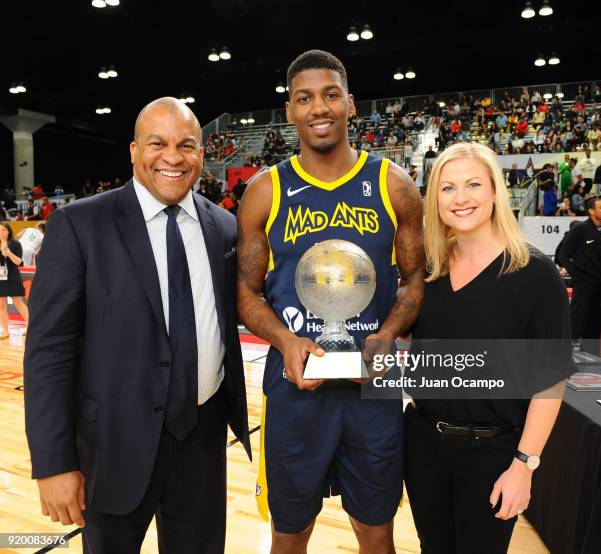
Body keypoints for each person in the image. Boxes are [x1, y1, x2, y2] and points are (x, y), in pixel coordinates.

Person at [24, 97, 251, 554]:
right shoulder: (79, 223)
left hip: (202, 440)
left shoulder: (224, 228)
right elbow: (49, 353)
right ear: (132, 151)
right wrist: (52, 463)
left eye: (186, 145)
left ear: (202, 155)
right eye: (157, 143)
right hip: (112, 443)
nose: (172, 157)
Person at [237, 50, 424, 554]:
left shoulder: (393, 184)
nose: (319, 107)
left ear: (351, 105)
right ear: (290, 112)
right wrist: (282, 338)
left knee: (376, 530)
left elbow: (412, 280)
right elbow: (247, 294)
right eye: (305, 98)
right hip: (296, 392)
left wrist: (387, 335)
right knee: (289, 533)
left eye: (331, 95)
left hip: (373, 391)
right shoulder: (263, 191)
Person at [404, 142, 574, 554]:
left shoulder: (535, 275)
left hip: (493, 452)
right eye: (447, 188)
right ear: (434, 199)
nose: (460, 198)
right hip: (423, 444)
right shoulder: (427, 270)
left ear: (495, 191)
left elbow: (551, 381)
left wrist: (524, 465)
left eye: (473, 184)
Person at [559, 197, 601, 353]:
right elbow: (563, 255)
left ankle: (591, 356)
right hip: (584, 285)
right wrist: (577, 275)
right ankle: (564, 355)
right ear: (591, 211)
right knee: (578, 321)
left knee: (595, 324)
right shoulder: (580, 230)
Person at [0, 221, 29, 337]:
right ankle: (5, 331)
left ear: (9, 231)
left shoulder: (16, 244)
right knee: (1, 305)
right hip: (0, 277)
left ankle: (30, 327)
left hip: (12, 275)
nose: (1, 232)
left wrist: (9, 254)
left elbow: (18, 262)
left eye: (3, 230)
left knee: (18, 302)